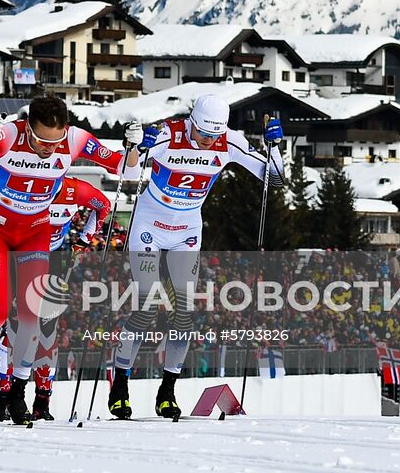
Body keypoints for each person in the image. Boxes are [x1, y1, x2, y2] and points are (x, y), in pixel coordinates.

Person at [0, 95, 142, 425]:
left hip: (35, 231)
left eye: (55, 141)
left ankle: (19, 393)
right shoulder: (7, 135)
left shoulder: (76, 139)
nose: (48, 148)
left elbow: (127, 170)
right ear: (27, 128)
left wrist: (132, 147)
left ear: (65, 129)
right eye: (40, 141)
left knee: (33, 315)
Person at [109, 95, 284, 420]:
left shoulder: (230, 142)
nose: (208, 142)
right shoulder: (167, 134)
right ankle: (120, 384)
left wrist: (276, 147)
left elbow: (274, 178)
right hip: (149, 223)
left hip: (186, 230)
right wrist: (135, 147)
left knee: (184, 315)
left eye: (214, 136)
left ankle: (168, 390)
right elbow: (125, 174)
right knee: (145, 306)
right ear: (192, 122)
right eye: (203, 134)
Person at [0, 171, 111, 421]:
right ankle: (3, 399)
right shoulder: (25, 185)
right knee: (16, 329)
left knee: (47, 330)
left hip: (52, 261)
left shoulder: (74, 189)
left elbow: (103, 205)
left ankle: (42, 401)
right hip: (20, 259)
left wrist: (84, 239)